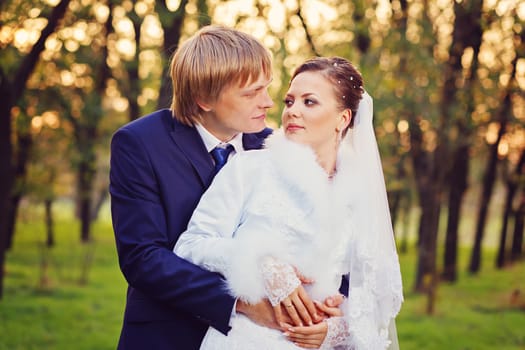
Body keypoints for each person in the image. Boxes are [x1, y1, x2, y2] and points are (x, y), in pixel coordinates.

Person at [110, 25, 342, 350]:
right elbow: (143, 257)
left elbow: (321, 230)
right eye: (250, 94)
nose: (268, 103)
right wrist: (243, 303)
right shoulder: (140, 143)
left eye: (267, 88)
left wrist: (330, 310)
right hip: (168, 334)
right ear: (204, 99)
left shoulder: (276, 146)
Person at [174, 56, 404, 349]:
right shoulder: (249, 168)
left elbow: (374, 297)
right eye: (289, 101)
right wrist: (264, 264)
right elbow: (190, 244)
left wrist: (337, 328)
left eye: (309, 102)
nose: (292, 111)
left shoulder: (360, 191)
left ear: (342, 118)